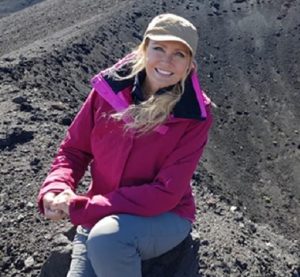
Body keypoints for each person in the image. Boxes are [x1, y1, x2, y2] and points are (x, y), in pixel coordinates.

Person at [37, 13, 213, 277]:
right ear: (144, 49)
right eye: (159, 48)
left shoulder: (194, 114)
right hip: (101, 212)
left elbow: (166, 192)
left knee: (108, 239)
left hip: (165, 215)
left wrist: (85, 207)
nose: (167, 60)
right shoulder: (109, 89)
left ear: (190, 65)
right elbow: (74, 149)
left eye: (179, 54)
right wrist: (56, 188)